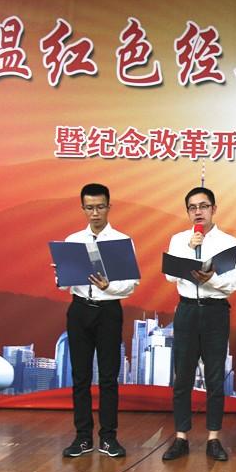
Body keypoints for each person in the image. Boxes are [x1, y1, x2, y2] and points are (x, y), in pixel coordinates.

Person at [162, 187, 236, 462]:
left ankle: (213, 438)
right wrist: (188, 249)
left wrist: (212, 279)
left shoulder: (229, 242)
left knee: (215, 378)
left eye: (204, 206)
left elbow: (234, 282)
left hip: (215, 311)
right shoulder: (179, 240)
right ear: (188, 212)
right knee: (182, 377)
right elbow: (169, 277)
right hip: (186, 310)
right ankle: (181, 437)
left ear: (213, 209)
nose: (198, 211)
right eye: (192, 207)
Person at [58, 183, 139, 458]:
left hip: (108, 311)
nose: (95, 213)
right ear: (83, 208)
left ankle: (108, 438)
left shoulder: (121, 241)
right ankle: (83, 438)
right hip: (79, 309)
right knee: (80, 377)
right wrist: (61, 273)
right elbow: (64, 286)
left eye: (100, 207)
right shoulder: (72, 241)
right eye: (90, 208)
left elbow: (131, 284)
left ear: (109, 207)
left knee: (108, 377)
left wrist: (108, 286)